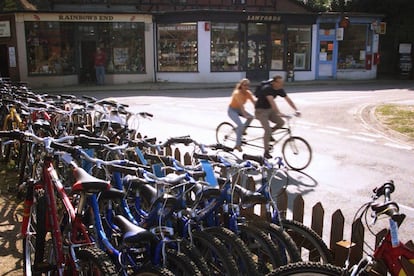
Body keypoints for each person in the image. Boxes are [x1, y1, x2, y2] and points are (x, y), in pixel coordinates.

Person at [255, 75, 300, 159]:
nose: (281, 84)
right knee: (267, 130)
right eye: (279, 83)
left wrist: (296, 110)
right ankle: (266, 152)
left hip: (269, 109)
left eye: (282, 83)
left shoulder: (279, 89)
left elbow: (287, 99)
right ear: (274, 82)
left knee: (281, 122)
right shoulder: (267, 88)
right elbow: (272, 102)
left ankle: (269, 135)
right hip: (261, 110)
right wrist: (279, 112)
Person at [228, 78, 256, 152]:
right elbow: (241, 106)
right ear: (241, 85)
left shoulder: (248, 93)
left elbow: (254, 102)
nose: (246, 87)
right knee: (240, 125)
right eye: (244, 85)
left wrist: (260, 110)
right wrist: (245, 114)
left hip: (239, 110)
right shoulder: (237, 93)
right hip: (232, 110)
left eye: (248, 85)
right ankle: (237, 145)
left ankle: (242, 130)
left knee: (251, 117)